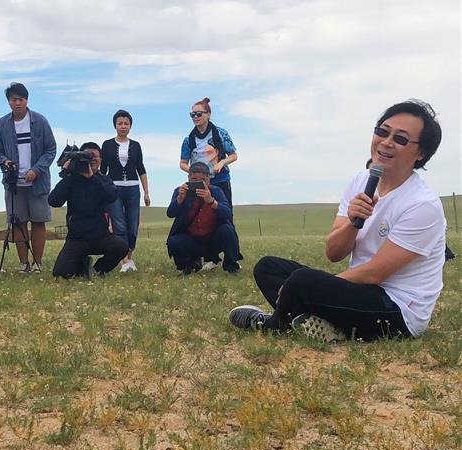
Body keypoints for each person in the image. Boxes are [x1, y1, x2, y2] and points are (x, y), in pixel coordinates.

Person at [230, 100, 446, 342]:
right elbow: (334, 253)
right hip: (361, 292)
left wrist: (302, 287)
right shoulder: (360, 180)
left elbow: (375, 273)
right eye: (382, 132)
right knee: (269, 267)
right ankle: (329, 326)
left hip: (397, 310)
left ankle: (274, 324)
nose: (386, 142)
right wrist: (353, 222)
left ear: (420, 153)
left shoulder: (422, 205)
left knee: (301, 281)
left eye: (401, 139)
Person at [0, 82, 57, 273]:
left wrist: (37, 170)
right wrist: (5, 162)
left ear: (26, 100)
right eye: (13, 99)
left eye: (21, 99)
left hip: (37, 182)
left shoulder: (40, 121)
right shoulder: (2, 124)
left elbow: (50, 149)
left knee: (38, 221)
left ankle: (37, 263)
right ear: (8, 102)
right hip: (14, 184)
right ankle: (23, 263)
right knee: (18, 223)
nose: (17, 103)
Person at [48, 144, 127, 278]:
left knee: (120, 246)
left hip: (100, 236)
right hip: (77, 238)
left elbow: (112, 196)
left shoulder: (103, 179)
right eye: (87, 157)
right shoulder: (71, 180)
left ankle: (97, 270)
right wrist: (66, 175)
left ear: (101, 160)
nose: (91, 160)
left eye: (94, 157)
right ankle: (83, 264)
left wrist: (92, 178)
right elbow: (54, 201)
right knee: (61, 273)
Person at [166, 163, 241, 275]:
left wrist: (211, 201)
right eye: (194, 179)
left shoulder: (216, 191)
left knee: (227, 230)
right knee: (174, 241)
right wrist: (180, 199)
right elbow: (170, 213)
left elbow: (227, 214)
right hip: (192, 239)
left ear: (208, 181)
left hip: (213, 239)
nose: (198, 183)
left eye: (202, 180)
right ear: (188, 179)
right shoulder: (180, 192)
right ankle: (188, 266)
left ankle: (232, 266)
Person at [100, 110, 151, 273]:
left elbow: (141, 169)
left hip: (133, 188)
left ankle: (130, 256)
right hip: (113, 188)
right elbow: (102, 170)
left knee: (132, 225)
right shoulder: (107, 144)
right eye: (120, 123)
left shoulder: (136, 145)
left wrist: (146, 192)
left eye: (126, 123)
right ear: (115, 125)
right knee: (119, 224)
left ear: (130, 126)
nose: (123, 126)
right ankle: (124, 260)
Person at [179, 97, 238, 207]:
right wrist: (194, 172)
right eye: (193, 114)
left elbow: (233, 156)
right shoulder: (188, 140)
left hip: (220, 180)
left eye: (199, 114)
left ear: (208, 114)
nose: (196, 117)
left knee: (224, 212)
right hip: (199, 183)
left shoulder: (221, 133)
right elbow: (182, 163)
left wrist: (221, 163)